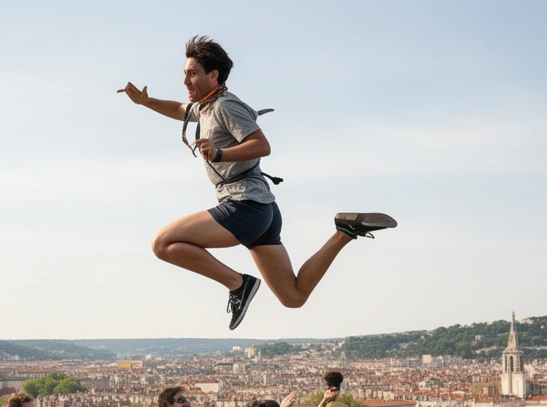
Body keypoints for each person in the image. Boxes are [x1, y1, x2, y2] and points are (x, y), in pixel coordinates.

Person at [118, 36, 397, 330]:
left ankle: (237, 284)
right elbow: (180, 110)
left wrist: (220, 153)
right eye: (185, 74)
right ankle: (344, 232)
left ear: (214, 75)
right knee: (293, 296)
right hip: (263, 210)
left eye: (192, 73)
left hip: (244, 205)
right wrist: (146, 102)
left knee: (163, 244)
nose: (186, 80)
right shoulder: (207, 105)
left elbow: (261, 145)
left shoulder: (226, 105)